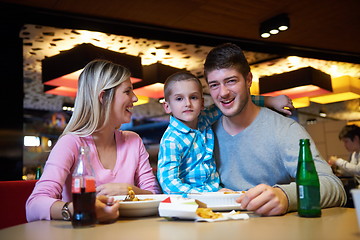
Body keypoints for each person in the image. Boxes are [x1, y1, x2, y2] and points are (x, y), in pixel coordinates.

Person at [204, 43, 347, 216]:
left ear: (249, 80)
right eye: (214, 85)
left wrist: (285, 196)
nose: (223, 92)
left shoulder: (285, 130)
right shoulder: (204, 133)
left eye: (231, 81)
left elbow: (334, 187)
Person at [26, 60, 161, 223]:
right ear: (103, 97)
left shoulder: (134, 140)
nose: (135, 98)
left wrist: (130, 190)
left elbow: (154, 195)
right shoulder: (71, 143)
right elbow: (34, 206)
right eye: (127, 91)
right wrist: (79, 209)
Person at [157, 71, 293, 194]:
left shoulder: (203, 119)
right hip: (188, 201)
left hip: (217, 192)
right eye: (179, 99)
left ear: (202, 103)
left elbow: (238, 102)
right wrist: (208, 196)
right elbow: (168, 183)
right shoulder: (172, 140)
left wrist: (269, 100)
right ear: (167, 106)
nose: (188, 104)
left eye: (193, 97)